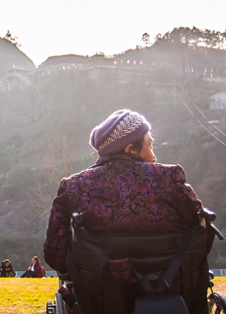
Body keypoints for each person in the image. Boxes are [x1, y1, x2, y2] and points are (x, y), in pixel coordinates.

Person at [43, 109, 203, 272]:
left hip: (100, 290)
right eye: (150, 146)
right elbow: (197, 226)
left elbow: (55, 255)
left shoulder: (73, 187)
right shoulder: (169, 177)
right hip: (171, 282)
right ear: (130, 148)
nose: (154, 157)